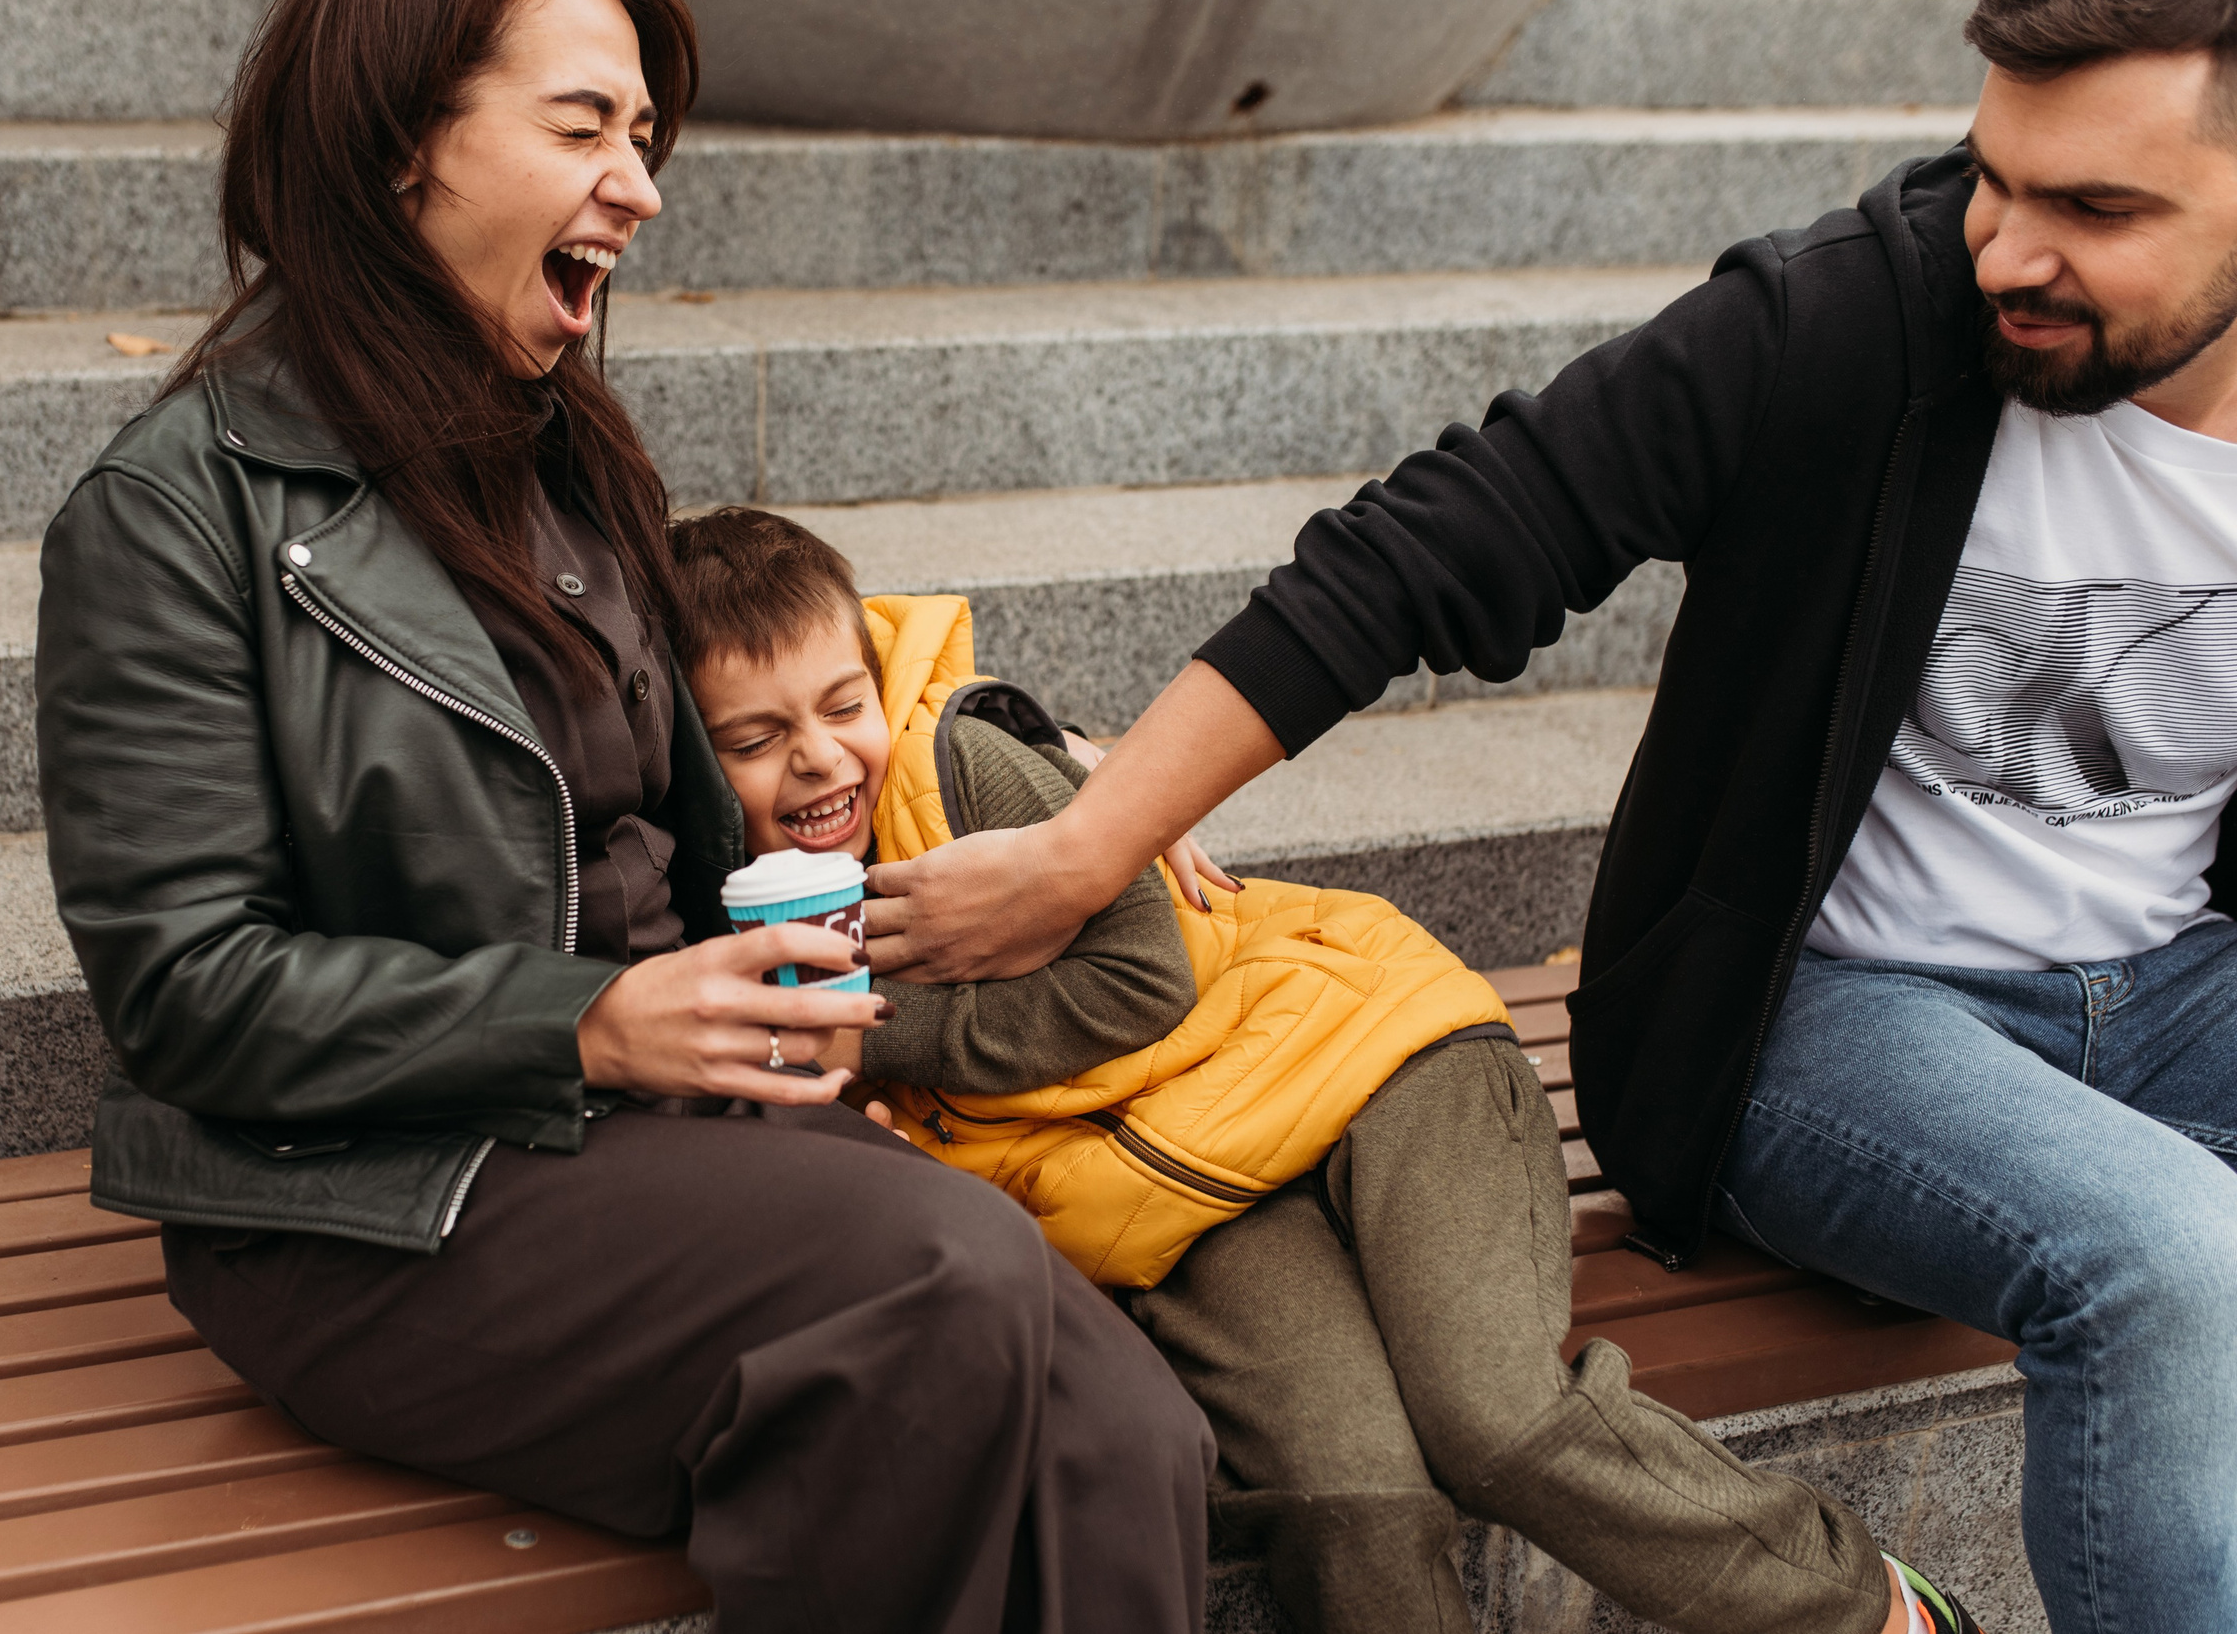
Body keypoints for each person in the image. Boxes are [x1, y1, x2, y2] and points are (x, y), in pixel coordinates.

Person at [861, 0, 2237, 1629]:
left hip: (2180, 989)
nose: (2007, 248)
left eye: (2098, 212)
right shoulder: (1848, 323)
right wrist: (1084, 850)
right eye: (1994, 177)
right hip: (1834, 1015)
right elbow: (1437, 544)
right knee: (2176, 1257)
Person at [31, 0, 1213, 1629]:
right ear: (399, 146)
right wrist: (582, 1022)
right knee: (943, 1285)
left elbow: (751, 749)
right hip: (365, 1197)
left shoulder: (572, 446)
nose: (638, 187)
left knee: (1130, 1423)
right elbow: (186, 991)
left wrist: (1046, 777)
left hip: (660, 1124)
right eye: (585, 126)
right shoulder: (169, 518)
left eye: (644, 140)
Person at [667, 506, 1976, 1634]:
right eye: (756, 736)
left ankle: (1865, 1606)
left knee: (1496, 1419)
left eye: (843, 705)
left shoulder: (951, 769)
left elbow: (1141, 981)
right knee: (1357, 1499)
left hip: (1373, 1052)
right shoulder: (741, 914)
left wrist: (870, 1027)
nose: (822, 756)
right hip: (1201, 1190)